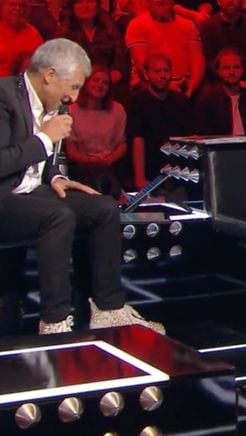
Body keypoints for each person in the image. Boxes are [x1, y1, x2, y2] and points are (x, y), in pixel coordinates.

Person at [0, 38, 164, 334]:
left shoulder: (57, 105)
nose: (74, 97)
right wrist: (43, 139)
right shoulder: (4, 96)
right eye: (73, 86)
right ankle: (54, 320)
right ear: (49, 75)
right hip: (4, 197)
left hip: (33, 193)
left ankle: (108, 308)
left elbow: (47, 161)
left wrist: (55, 176)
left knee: (103, 208)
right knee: (57, 216)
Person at [125, 0, 204, 98]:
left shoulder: (188, 25)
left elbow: (197, 58)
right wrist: (168, 86)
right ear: (148, 0)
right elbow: (142, 63)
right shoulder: (137, 25)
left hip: (185, 86)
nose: (160, 0)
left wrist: (193, 85)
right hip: (150, 87)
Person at [127, 53, 193, 190]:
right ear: (146, 75)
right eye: (157, 71)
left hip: (178, 168)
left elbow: (189, 138)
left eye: (166, 70)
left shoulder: (181, 101)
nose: (163, 76)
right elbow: (138, 140)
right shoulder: (138, 101)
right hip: (151, 167)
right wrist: (140, 178)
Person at [66, 65, 126, 196]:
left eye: (105, 83)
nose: (100, 85)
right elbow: (70, 150)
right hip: (81, 168)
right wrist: (89, 161)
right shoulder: (71, 110)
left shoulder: (117, 109)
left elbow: (122, 144)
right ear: (86, 82)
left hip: (109, 165)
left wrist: (108, 159)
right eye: (96, 80)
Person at [57, 0, 126, 88]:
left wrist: (111, 77)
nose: (86, 6)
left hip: (108, 83)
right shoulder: (64, 33)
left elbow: (120, 58)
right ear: (72, 6)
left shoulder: (108, 26)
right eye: (79, 2)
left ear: (97, 5)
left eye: (90, 1)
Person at [193, 48, 246, 136]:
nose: (231, 72)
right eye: (226, 68)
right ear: (218, 71)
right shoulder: (207, 101)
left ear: (243, 69)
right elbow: (203, 134)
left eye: (236, 67)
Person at [0, 0, 43, 77]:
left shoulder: (32, 33)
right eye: (12, 4)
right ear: (1, 6)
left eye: (21, 5)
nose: (17, 8)